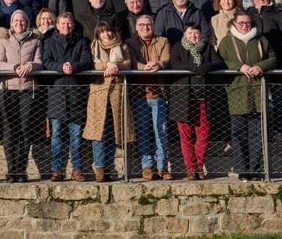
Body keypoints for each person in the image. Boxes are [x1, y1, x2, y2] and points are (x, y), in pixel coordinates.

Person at [217, 11, 277, 181]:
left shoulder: (260, 39)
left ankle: (255, 169)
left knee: (257, 133)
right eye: (241, 22)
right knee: (238, 133)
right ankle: (242, 169)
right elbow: (220, 60)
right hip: (237, 91)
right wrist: (238, 66)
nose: (245, 25)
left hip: (258, 91)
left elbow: (273, 58)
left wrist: (260, 66)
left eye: (248, 23)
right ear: (234, 23)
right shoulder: (227, 41)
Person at [168, 22, 224, 180]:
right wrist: (193, 67)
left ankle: (199, 165)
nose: (194, 36)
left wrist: (206, 67)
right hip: (182, 97)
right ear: (185, 34)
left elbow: (219, 63)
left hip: (204, 98)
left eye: (197, 33)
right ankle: (190, 168)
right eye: (190, 33)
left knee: (203, 134)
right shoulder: (178, 47)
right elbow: (174, 64)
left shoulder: (207, 47)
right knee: (185, 135)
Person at [42, 12, 93, 182]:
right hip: (56, 94)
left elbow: (87, 61)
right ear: (57, 25)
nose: (66, 26)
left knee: (76, 136)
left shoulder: (81, 41)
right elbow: (46, 61)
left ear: (73, 24)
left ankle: (77, 169)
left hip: (76, 93)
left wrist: (74, 66)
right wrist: (60, 67)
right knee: (56, 135)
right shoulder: (49, 42)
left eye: (69, 23)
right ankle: (57, 169)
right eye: (63, 23)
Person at [0, 9, 43, 182]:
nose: (19, 24)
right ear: (11, 24)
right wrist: (14, 67)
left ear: (27, 22)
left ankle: (21, 169)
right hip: (7, 90)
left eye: (22, 21)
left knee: (24, 129)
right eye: (16, 21)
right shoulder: (4, 39)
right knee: (9, 130)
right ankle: (11, 169)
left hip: (27, 89)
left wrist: (30, 65)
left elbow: (39, 61)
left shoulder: (35, 39)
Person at [82, 21, 132, 182]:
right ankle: (100, 167)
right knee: (99, 132)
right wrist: (107, 65)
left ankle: (109, 166)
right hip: (98, 94)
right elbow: (91, 64)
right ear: (98, 34)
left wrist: (115, 65)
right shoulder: (93, 47)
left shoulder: (122, 47)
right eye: (102, 32)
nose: (106, 34)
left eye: (109, 31)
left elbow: (128, 63)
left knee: (113, 132)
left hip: (117, 94)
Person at [125, 14, 172, 180]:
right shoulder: (130, 43)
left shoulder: (163, 41)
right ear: (136, 27)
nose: (146, 27)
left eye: (149, 24)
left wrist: (158, 64)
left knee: (161, 131)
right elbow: (131, 61)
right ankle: (146, 166)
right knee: (143, 132)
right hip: (139, 94)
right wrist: (144, 66)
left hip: (158, 94)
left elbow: (166, 58)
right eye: (142, 25)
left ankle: (162, 166)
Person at [248, 0, 282, 141]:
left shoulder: (279, 15)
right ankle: (261, 132)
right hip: (256, 63)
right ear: (253, 0)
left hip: (277, 62)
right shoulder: (249, 15)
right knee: (259, 101)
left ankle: (278, 131)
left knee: (279, 99)